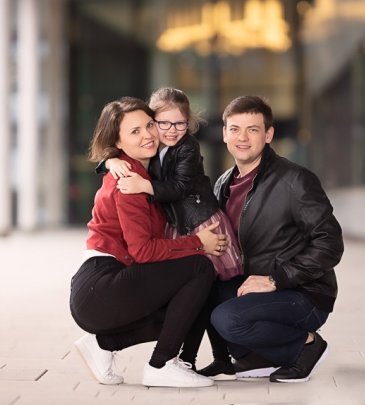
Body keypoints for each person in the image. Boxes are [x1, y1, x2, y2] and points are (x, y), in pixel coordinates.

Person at [69, 97, 230, 388]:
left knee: (193, 298)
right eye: (134, 132)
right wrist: (198, 243)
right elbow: (143, 251)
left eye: (149, 125)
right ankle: (161, 364)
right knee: (200, 268)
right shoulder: (128, 181)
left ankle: (104, 344)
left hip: (104, 286)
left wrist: (110, 158)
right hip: (101, 286)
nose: (147, 135)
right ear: (118, 142)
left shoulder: (146, 170)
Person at [197, 95, 344, 383]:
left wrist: (275, 279)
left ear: (268, 134)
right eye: (235, 128)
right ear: (225, 133)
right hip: (257, 289)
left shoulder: (295, 180)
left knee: (228, 318)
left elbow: (330, 244)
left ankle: (306, 346)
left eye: (252, 129)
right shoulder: (224, 182)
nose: (242, 137)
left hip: (303, 293)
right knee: (197, 292)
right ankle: (257, 357)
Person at [103, 87, 242, 282]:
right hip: (175, 222)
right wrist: (112, 161)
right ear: (151, 122)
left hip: (199, 219)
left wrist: (145, 186)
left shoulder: (188, 147)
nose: (172, 130)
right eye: (164, 123)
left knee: (212, 277)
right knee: (182, 279)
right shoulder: (150, 147)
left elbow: (181, 187)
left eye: (179, 124)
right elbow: (118, 151)